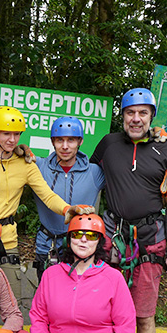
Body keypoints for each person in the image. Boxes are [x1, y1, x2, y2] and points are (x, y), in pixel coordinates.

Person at [90, 87, 167, 333]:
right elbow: (85, 175)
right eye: (131, 112)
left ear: (151, 117)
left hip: (149, 241)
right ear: (123, 115)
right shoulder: (109, 144)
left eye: (143, 113)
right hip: (111, 239)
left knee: (143, 315)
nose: (136, 118)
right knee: (104, 311)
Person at [0, 106, 88, 300]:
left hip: (7, 238)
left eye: (16, 134)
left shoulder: (25, 164)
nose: (12, 140)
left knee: (12, 298)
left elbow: (46, 194)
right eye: (6, 134)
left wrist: (67, 209)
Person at [34, 116, 105, 281]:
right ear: (52, 141)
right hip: (46, 245)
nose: (65, 146)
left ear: (80, 141)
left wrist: (154, 137)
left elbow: (126, 173)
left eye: (71, 140)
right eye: (60, 140)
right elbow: (5, 154)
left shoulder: (94, 172)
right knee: (46, 295)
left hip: (80, 246)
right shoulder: (38, 167)